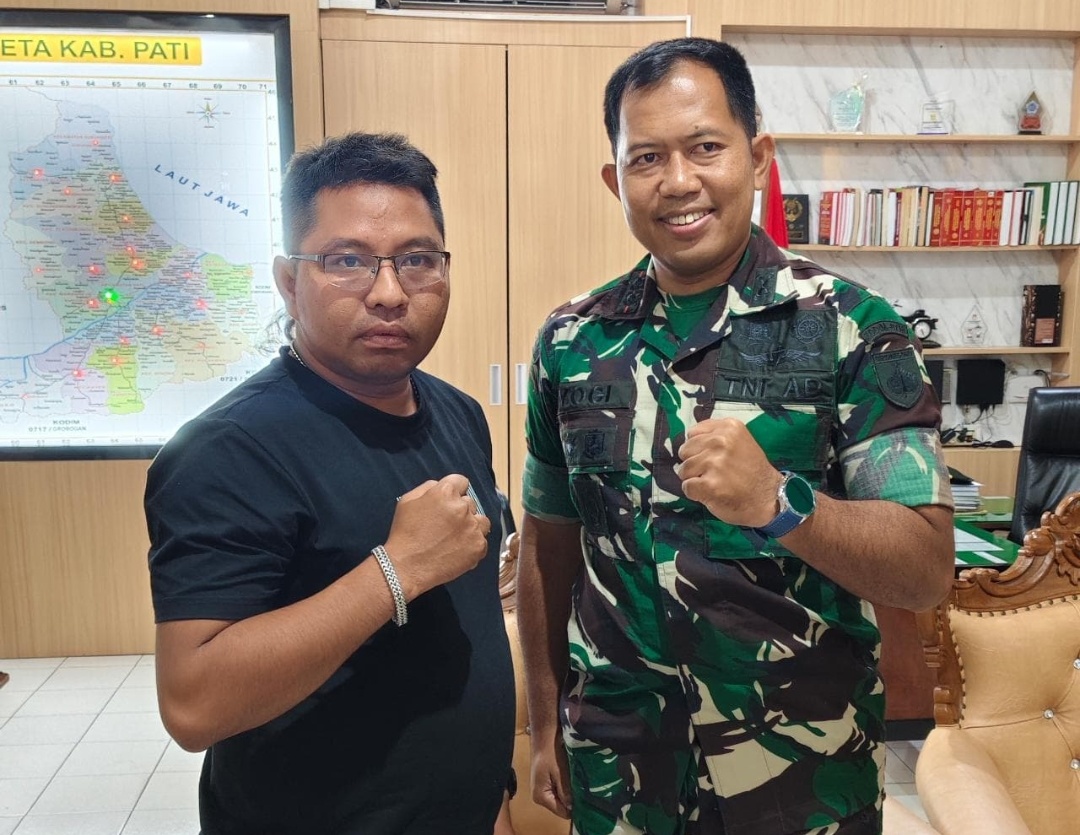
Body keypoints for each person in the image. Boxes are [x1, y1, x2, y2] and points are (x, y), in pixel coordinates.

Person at [516, 37, 955, 835]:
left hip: (802, 771)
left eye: (705, 147)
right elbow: (549, 543)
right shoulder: (571, 341)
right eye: (647, 158)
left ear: (756, 157)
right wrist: (546, 720)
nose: (678, 181)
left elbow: (924, 570)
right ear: (616, 181)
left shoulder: (855, 329)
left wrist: (781, 503)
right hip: (623, 770)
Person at [145, 132, 515, 834]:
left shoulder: (459, 414)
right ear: (289, 282)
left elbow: (458, 637)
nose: (389, 292)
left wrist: (490, 793)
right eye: (347, 261)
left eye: (418, 260)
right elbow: (193, 704)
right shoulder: (229, 449)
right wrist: (395, 571)